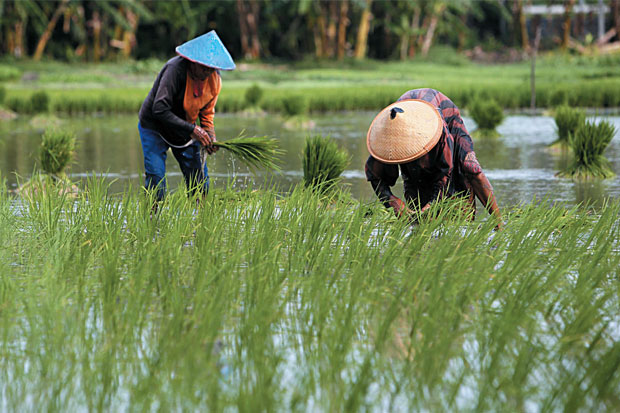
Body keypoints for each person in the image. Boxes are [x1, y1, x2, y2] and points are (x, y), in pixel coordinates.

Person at [365, 88, 502, 227]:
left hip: (445, 118)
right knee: (416, 197)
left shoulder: (439, 132)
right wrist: (392, 201)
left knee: (470, 167)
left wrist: (432, 204)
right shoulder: (385, 139)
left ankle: (499, 223)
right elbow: (375, 177)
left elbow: (445, 174)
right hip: (404, 123)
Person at [138, 30, 235, 201]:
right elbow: (159, 109)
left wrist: (210, 135)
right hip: (156, 127)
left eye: (211, 69)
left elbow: (207, 113)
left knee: (199, 183)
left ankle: (199, 223)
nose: (207, 72)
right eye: (203, 67)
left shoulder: (214, 80)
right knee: (156, 179)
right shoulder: (175, 70)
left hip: (184, 130)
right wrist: (193, 129)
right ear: (193, 62)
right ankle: (150, 221)